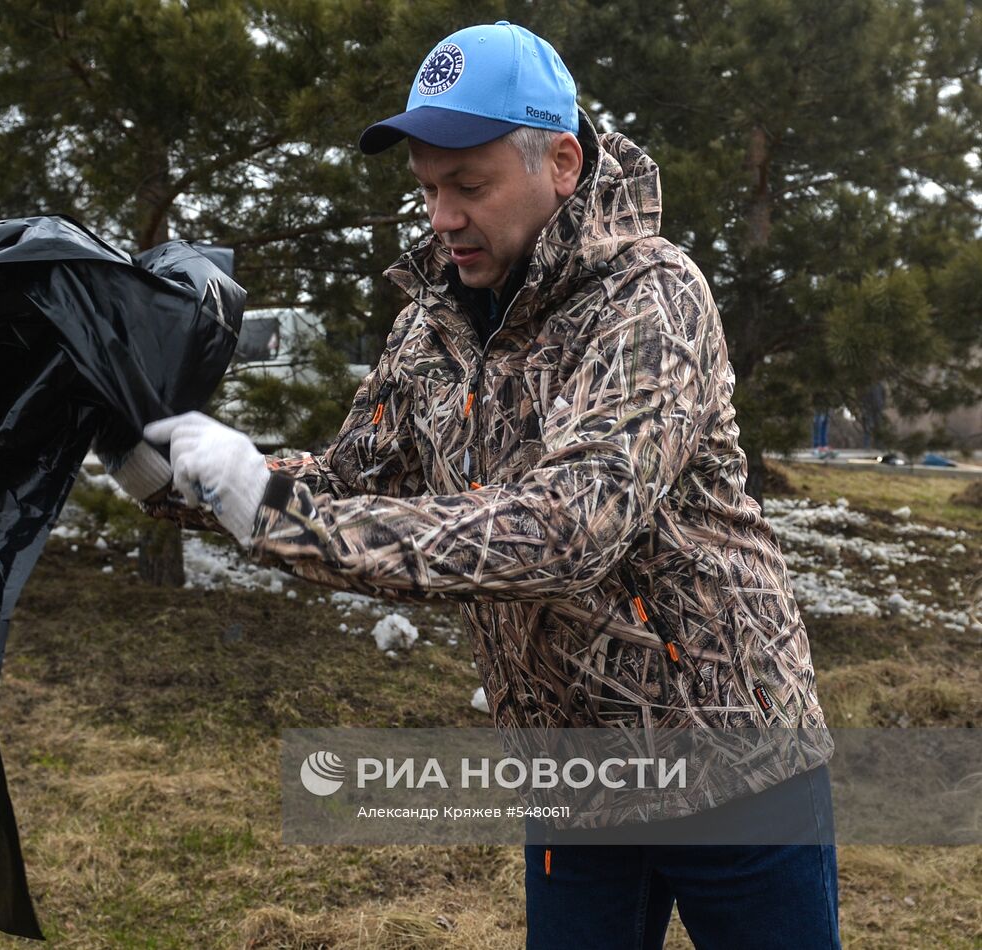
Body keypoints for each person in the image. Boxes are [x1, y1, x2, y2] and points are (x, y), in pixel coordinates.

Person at [102, 21, 838, 949]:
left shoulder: (655, 300)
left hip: (737, 763)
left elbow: (570, 529)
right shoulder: (436, 330)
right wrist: (163, 470)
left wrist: (289, 518)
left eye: (469, 186)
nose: (441, 218)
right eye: (427, 190)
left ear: (561, 163)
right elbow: (342, 482)